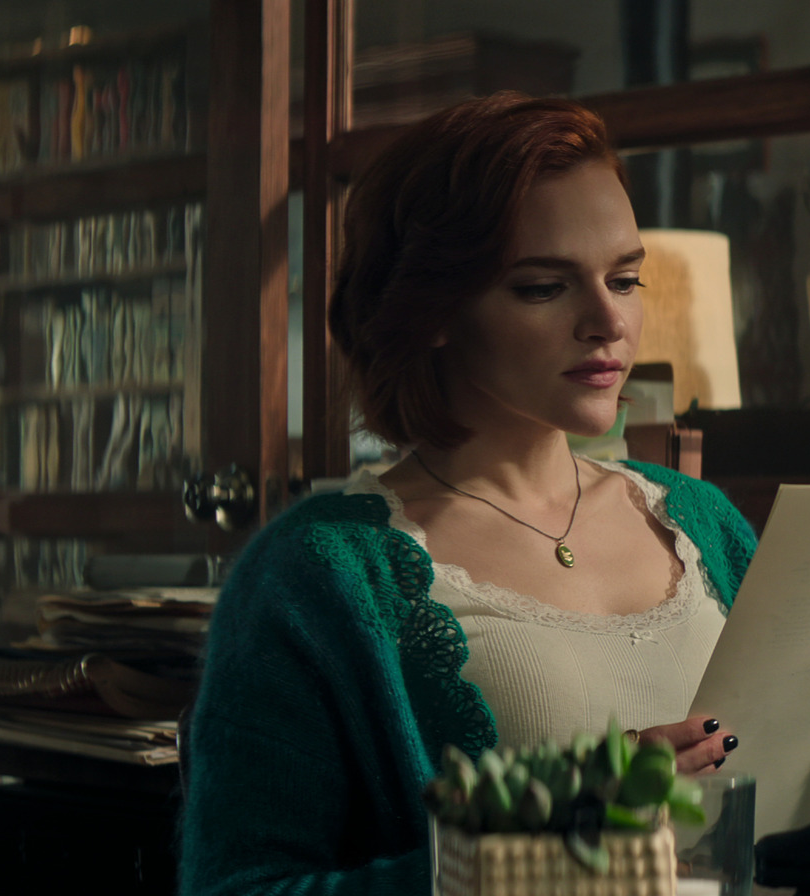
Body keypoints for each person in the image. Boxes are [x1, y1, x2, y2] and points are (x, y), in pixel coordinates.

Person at [178, 92, 758, 895]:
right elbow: (236, 888)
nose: (608, 321)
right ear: (434, 308)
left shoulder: (702, 521)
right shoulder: (313, 574)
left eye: (624, 278)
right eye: (543, 287)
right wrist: (541, 841)